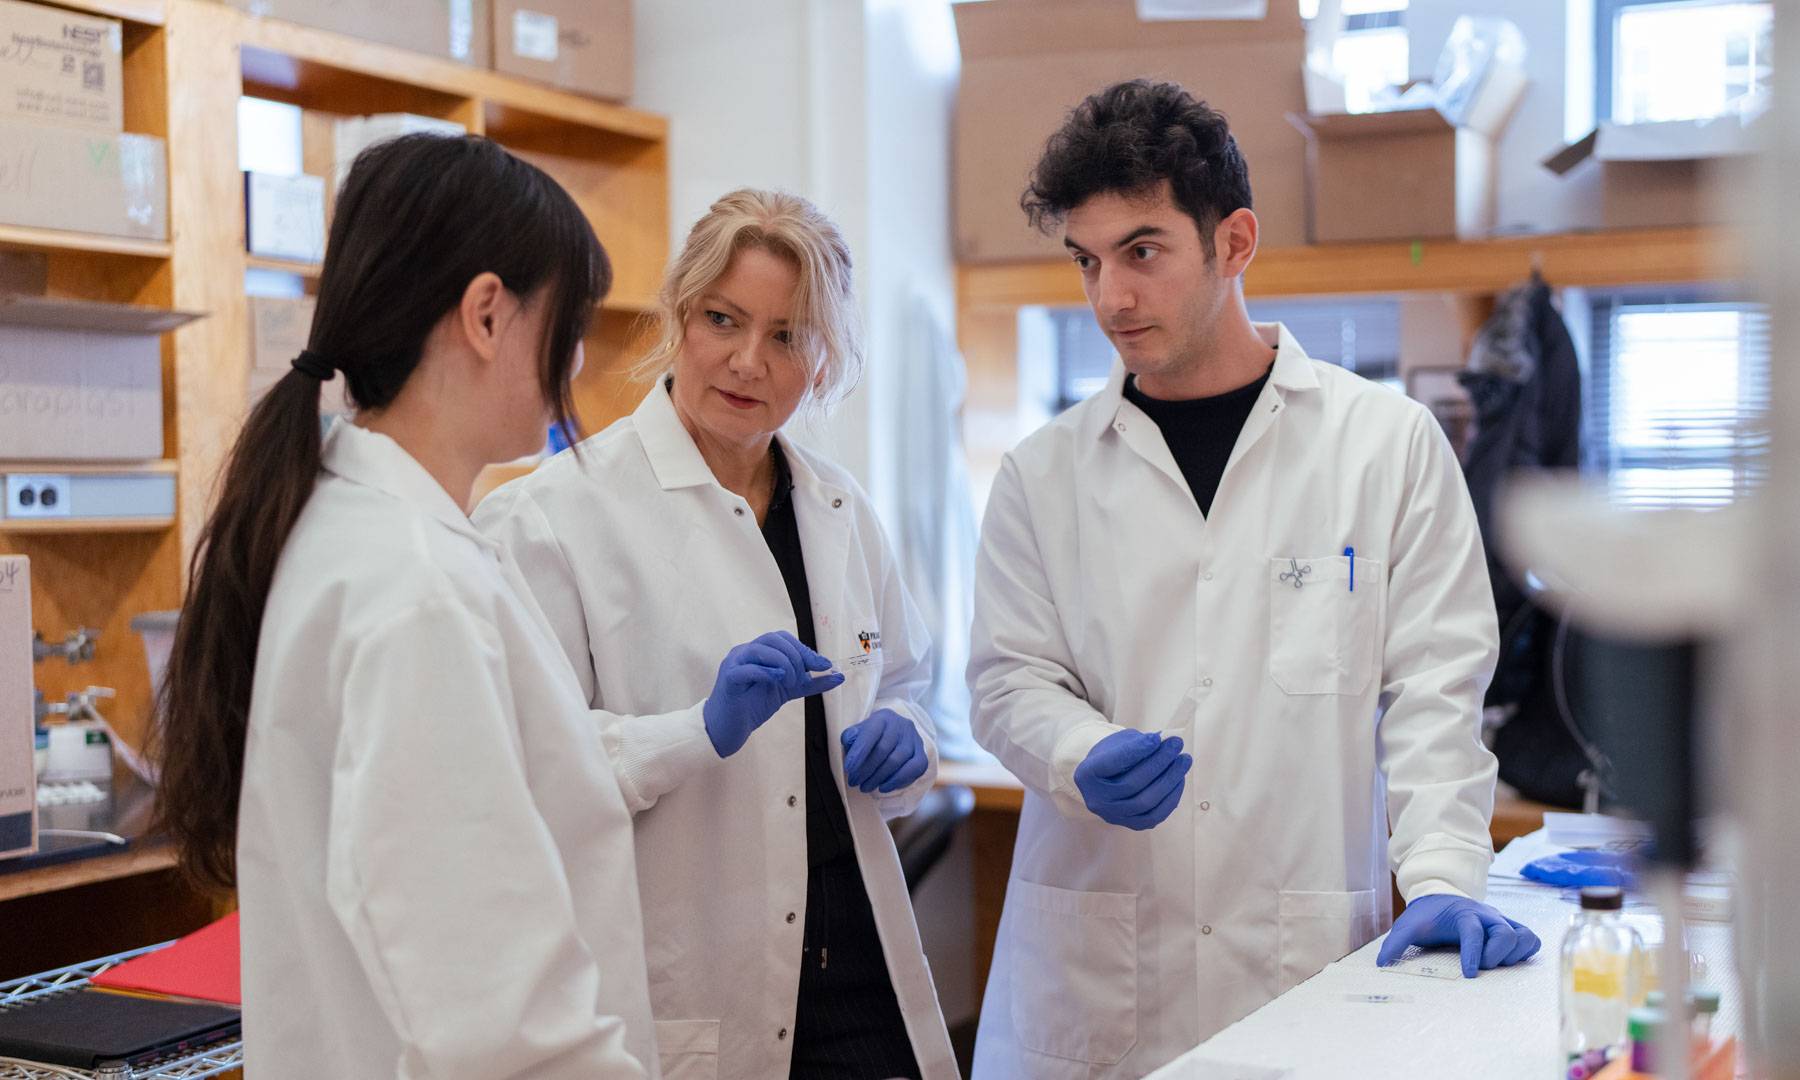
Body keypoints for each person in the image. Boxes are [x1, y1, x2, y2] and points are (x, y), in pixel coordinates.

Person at [968, 79, 1541, 1078]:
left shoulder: (1385, 447)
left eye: (1142, 252)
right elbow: (1008, 680)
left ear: (1235, 244)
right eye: (1089, 261)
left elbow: (1436, 690)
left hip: (1301, 964)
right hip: (1095, 992)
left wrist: (1445, 873)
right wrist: (1075, 750)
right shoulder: (1040, 475)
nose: (1110, 297)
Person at [153, 134, 660, 1078]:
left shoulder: (357, 531)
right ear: (485, 313)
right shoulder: (415, 584)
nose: (580, 354)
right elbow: (498, 1019)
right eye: (569, 318)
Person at [474, 189, 959, 1080]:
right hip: (691, 997)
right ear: (679, 319)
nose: (748, 361)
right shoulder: (549, 518)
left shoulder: (840, 509)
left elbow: (903, 684)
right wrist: (698, 731)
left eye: (787, 335)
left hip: (861, 984)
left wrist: (910, 740)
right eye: (723, 320)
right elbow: (523, 768)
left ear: (823, 360)